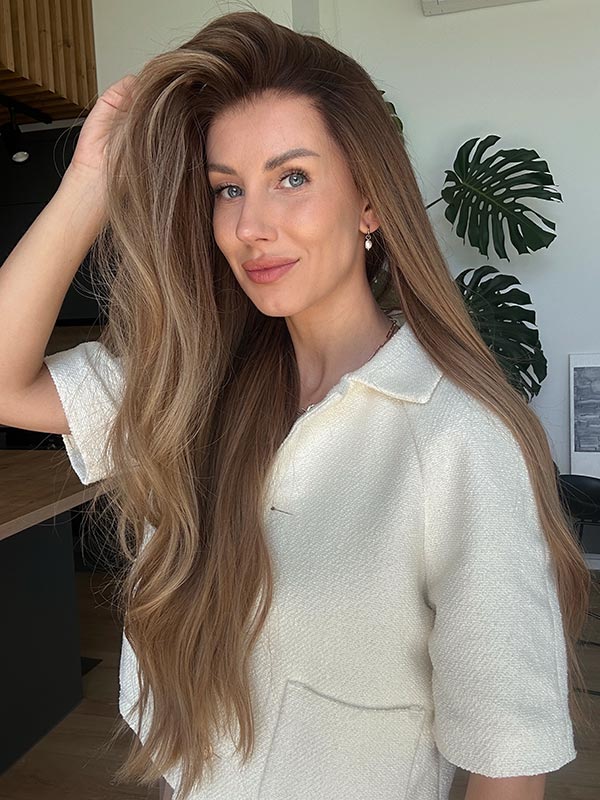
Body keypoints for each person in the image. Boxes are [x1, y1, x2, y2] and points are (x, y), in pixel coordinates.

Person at [0, 9, 592, 800]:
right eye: (228, 189)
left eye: (292, 178)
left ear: (370, 201)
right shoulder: (192, 381)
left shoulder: (459, 438)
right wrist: (88, 184)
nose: (250, 226)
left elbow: (506, 762)